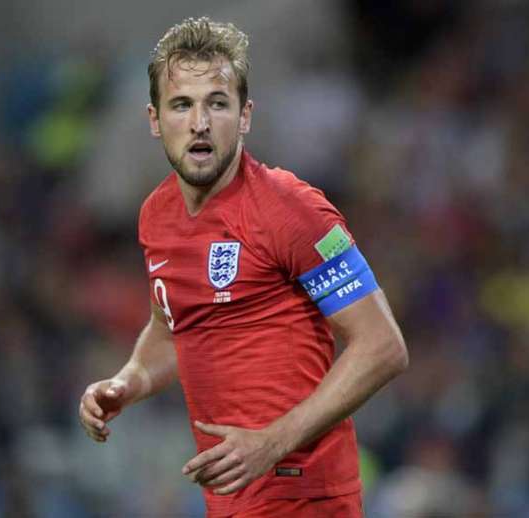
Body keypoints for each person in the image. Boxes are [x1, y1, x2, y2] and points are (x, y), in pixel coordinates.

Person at [78, 16, 408, 518]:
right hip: (231, 500)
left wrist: (273, 443)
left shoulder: (291, 209)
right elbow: (172, 331)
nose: (200, 123)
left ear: (246, 115)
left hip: (305, 497)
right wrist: (127, 382)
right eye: (182, 105)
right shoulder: (155, 217)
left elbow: (383, 346)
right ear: (153, 119)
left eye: (217, 103)